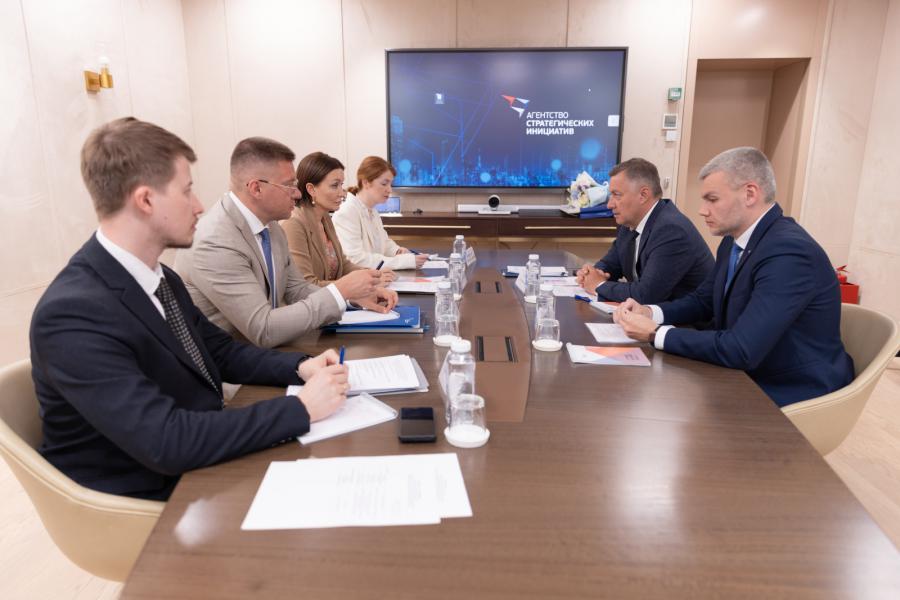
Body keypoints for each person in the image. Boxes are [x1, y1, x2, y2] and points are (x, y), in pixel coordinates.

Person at [30, 118, 350, 501]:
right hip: (150, 494)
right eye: (186, 191)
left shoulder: (159, 276)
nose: (199, 207)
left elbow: (220, 351)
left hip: (197, 456)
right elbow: (166, 441)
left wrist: (300, 367)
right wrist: (300, 408)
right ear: (145, 200)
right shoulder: (72, 315)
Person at [614, 147, 854, 407]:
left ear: (750, 194)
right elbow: (703, 300)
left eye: (712, 199)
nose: (702, 210)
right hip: (746, 372)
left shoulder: (789, 252)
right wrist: (651, 312)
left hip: (790, 389)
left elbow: (742, 349)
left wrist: (655, 333)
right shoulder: (733, 241)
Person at [174, 138, 396, 348]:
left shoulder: (271, 227)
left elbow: (297, 289)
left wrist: (352, 297)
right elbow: (263, 329)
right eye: (289, 185)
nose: (298, 194)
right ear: (256, 188)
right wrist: (340, 291)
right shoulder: (215, 241)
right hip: (225, 368)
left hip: (259, 353)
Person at [575, 158, 713, 303]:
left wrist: (598, 285)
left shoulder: (671, 229)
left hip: (686, 316)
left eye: (617, 195)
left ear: (643, 195)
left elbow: (646, 295)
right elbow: (611, 264)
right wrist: (591, 273)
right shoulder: (628, 223)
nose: (610, 205)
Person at [282, 152, 398, 287]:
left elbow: (343, 265)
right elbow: (305, 286)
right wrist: (360, 284)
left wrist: (372, 275)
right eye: (334, 185)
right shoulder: (294, 224)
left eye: (341, 185)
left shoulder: (324, 218)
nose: (342, 193)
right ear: (311, 189)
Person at [333, 156, 428, 270]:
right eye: (384, 184)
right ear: (366, 182)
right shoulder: (347, 212)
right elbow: (356, 259)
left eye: (390, 184)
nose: (389, 190)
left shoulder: (372, 210)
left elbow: (384, 243)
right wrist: (404, 261)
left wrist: (397, 251)